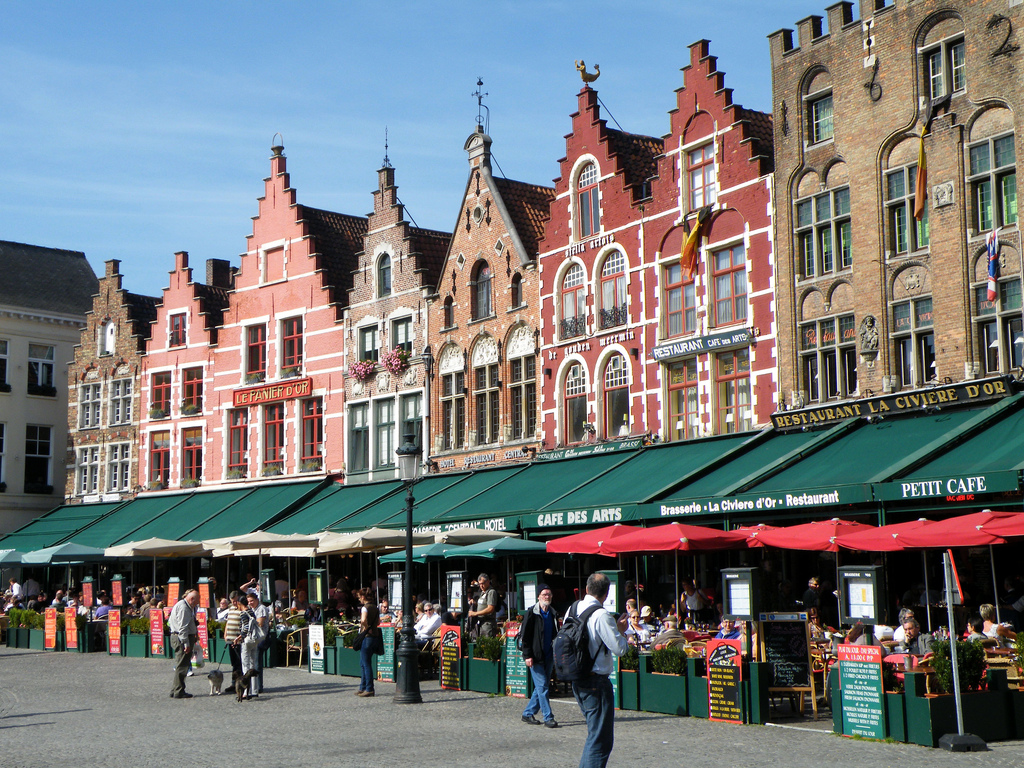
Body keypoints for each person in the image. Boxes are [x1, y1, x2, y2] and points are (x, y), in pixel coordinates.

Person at [568, 572, 628, 768]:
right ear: (606, 593)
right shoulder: (602, 614)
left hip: (576, 677)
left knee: (595, 736)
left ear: (586, 589)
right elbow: (620, 650)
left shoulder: (573, 608)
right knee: (600, 741)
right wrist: (620, 631)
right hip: (596, 681)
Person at [520, 585, 559, 728]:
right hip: (535, 657)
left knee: (541, 687)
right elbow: (525, 637)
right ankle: (548, 717)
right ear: (538, 597)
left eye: (549, 594)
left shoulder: (553, 613)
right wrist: (527, 656)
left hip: (548, 656)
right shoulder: (532, 613)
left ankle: (528, 713)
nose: (547, 597)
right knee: (543, 687)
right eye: (544, 594)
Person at [168, 588, 199, 699]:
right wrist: (186, 644)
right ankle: (179, 691)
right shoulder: (184, 608)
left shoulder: (184, 605)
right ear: (191, 599)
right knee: (182, 666)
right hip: (181, 639)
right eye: (197, 601)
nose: (198, 603)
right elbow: (183, 627)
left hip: (178, 637)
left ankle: (175, 689)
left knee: (180, 664)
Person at [235, 593, 267, 699]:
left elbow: (246, 627)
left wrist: (239, 637)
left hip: (248, 640)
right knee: (253, 664)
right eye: (248, 601)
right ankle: (254, 690)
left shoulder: (244, 613)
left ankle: (245, 692)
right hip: (255, 640)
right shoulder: (251, 612)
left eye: (252, 601)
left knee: (246, 665)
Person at [356, 588, 379, 697]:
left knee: (365, 663)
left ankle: (369, 688)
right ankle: (363, 687)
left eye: (360, 597)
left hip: (367, 637)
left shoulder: (365, 608)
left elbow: (363, 620)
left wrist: (365, 628)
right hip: (374, 636)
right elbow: (378, 622)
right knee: (364, 662)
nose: (359, 599)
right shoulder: (375, 607)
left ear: (363, 597)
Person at [468, 573, 499, 638]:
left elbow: (490, 608)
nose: (481, 586)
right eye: (480, 584)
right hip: (480, 624)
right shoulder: (482, 592)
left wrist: (475, 613)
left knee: (487, 644)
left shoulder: (491, 592)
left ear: (488, 581)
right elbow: (482, 604)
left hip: (488, 624)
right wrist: (475, 603)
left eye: (483, 583)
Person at [223, 591, 244, 676]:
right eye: (232, 601)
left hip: (238, 640)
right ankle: (234, 682)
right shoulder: (231, 608)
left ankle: (239, 682)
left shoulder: (243, 609)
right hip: (230, 639)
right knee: (233, 662)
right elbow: (228, 622)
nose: (234, 603)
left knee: (239, 662)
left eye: (235, 601)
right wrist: (225, 634)